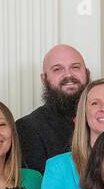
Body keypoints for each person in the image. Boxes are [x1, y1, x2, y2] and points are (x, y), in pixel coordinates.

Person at [16, 44, 91, 175]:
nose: (68, 75)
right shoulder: (27, 128)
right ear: (44, 79)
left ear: (87, 73)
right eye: (57, 69)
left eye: (75, 67)